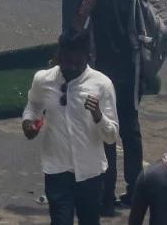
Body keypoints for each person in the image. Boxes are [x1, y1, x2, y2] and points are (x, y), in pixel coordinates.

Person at [71, 0, 141, 214]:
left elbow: (78, 24)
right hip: (131, 71)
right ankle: (136, 191)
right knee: (131, 131)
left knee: (105, 131)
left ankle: (106, 196)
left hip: (103, 74)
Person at [22, 32, 119, 225]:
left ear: (88, 57)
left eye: (78, 63)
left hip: (90, 173)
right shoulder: (43, 80)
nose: (72, 68)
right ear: (59, 55)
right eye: (67, 61)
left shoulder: (102, 85)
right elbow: (33, 106)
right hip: (57, 170)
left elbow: (111, 136)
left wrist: (98, 116)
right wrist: (29, 123)